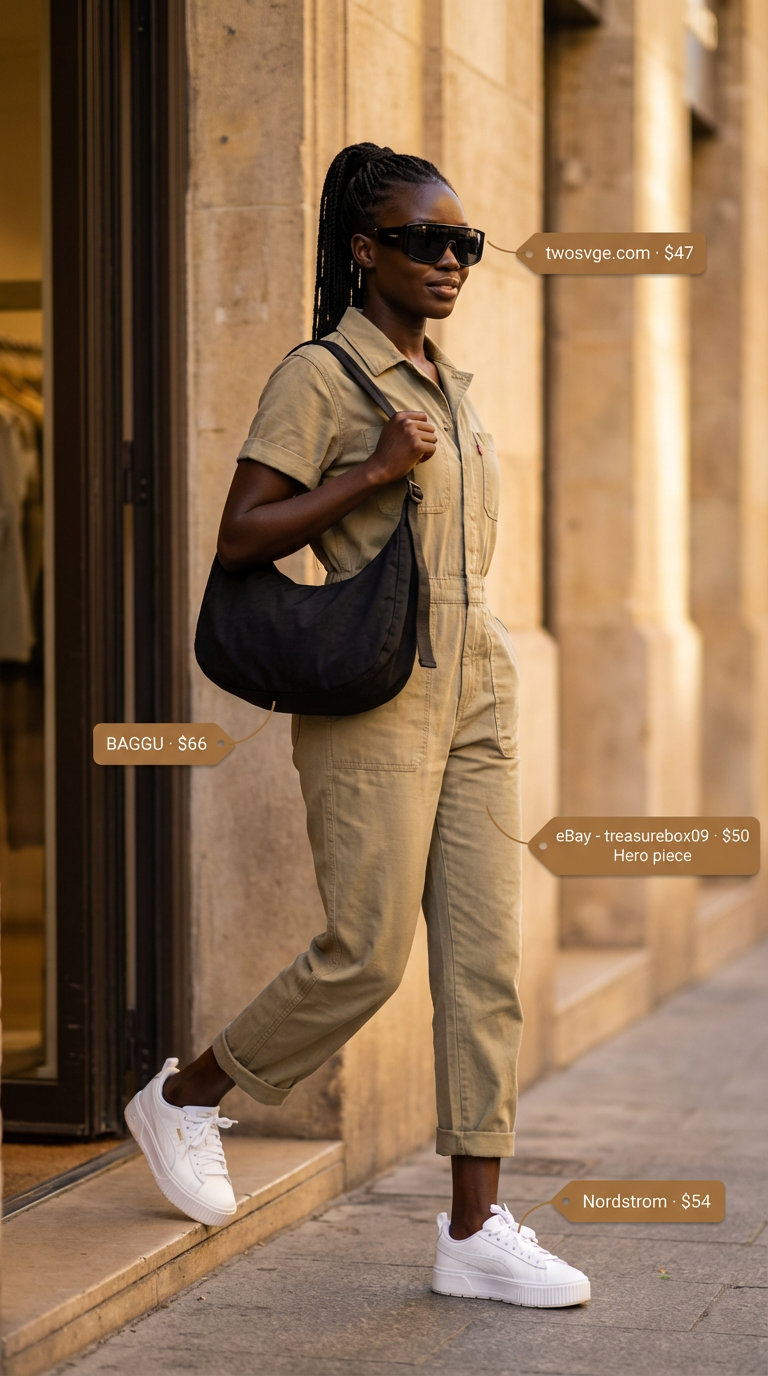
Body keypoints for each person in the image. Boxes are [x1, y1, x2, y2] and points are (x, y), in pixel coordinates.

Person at [125, 142, 590, 1308]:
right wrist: (376, 470)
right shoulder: (324, 374)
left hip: (479, 688)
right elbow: (239, 537)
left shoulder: (454, 382)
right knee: (369, 952)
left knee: (486, 965)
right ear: (364, 247)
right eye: (424, 240)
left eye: (465, 243)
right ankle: (185, 1098)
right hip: (375, 695)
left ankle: (476, 1225)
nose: (449, 260)